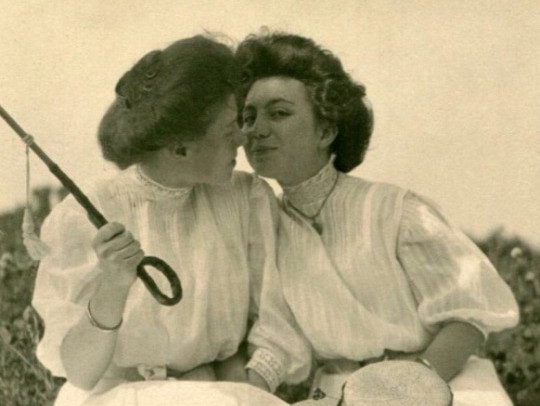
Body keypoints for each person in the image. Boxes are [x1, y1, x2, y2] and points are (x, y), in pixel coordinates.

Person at [236, 32, 520, 406]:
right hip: (336, 393)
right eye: (249, 117)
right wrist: (240, 395)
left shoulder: (395, 210)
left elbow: (469, 315)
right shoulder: (268, 226)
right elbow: (280, 340)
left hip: (439, 383)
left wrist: (410, 386)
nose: (257, 130)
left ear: (326, 130)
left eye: (279, 113)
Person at [31, 35, 293, 406]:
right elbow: (80, 372)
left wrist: (247, 390)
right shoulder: (82, 216)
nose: (242, 137)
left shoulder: (247, 199)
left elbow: (277, 319)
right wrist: (113, 284)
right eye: (228, 129)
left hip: (221, 392)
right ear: (180, 147)